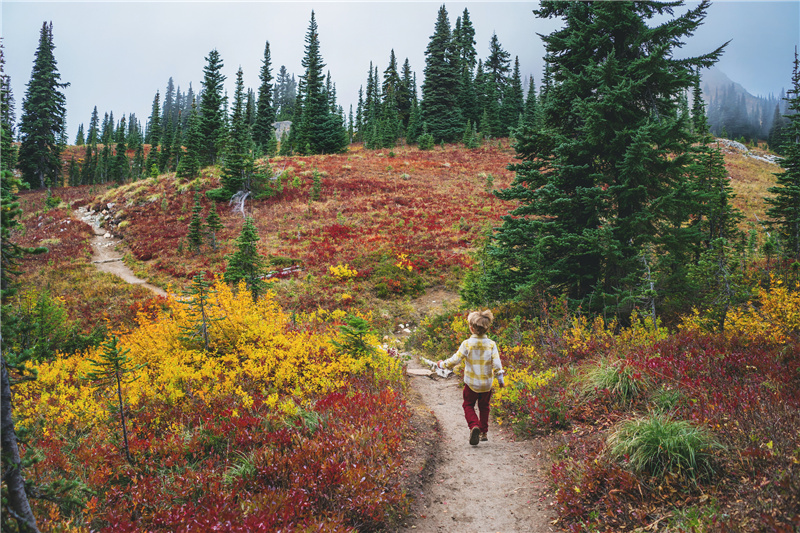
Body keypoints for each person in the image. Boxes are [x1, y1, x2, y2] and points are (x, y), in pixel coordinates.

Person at [437, 310, 504, 445]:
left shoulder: (467, 343)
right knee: (484, 406)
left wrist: (442, 364)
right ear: (487, 328)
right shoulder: (491, 344)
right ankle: (484, 432)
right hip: (486, 384)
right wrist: (500, 379)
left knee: (468, 404)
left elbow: (455, 360)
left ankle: (474, 425)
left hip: (471, 384)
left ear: (471, 328)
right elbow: (497, 363)